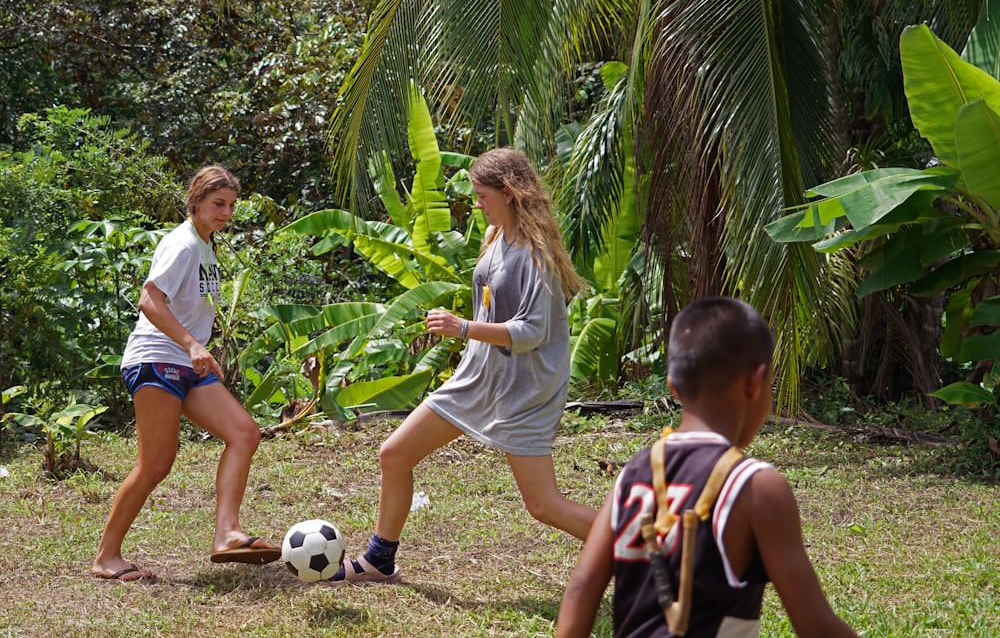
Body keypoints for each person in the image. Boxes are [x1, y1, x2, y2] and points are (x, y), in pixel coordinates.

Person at [331, 147, 597, 584]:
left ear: (508, 192)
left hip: (525, 391)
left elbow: (530, 332)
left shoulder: (536, 253)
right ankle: (380, 559)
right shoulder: (495, 238)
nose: (476, 204)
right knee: (395, 453)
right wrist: (469, 337)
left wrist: (463, 327)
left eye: (482, 195)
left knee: (543, 505)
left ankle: (638, 548)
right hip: (477, 380)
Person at [556, 297, 858, 638]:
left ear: (673, 386)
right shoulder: (756, 487)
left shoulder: (632, 475)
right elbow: (816, 626)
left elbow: (581, 587)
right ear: (755, 382)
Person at [91, 165, 280, 582]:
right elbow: (149, 300)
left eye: (231, 205)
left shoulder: (206, 245)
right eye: (218, 204)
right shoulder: (183, 244)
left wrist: (201, 350)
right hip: (156, 359)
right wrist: (192, 344)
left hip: (187, 364)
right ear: (196, 202)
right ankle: (106, 557)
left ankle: (227, 534)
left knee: (244, 433)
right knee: (156, 464)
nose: (226, 212)